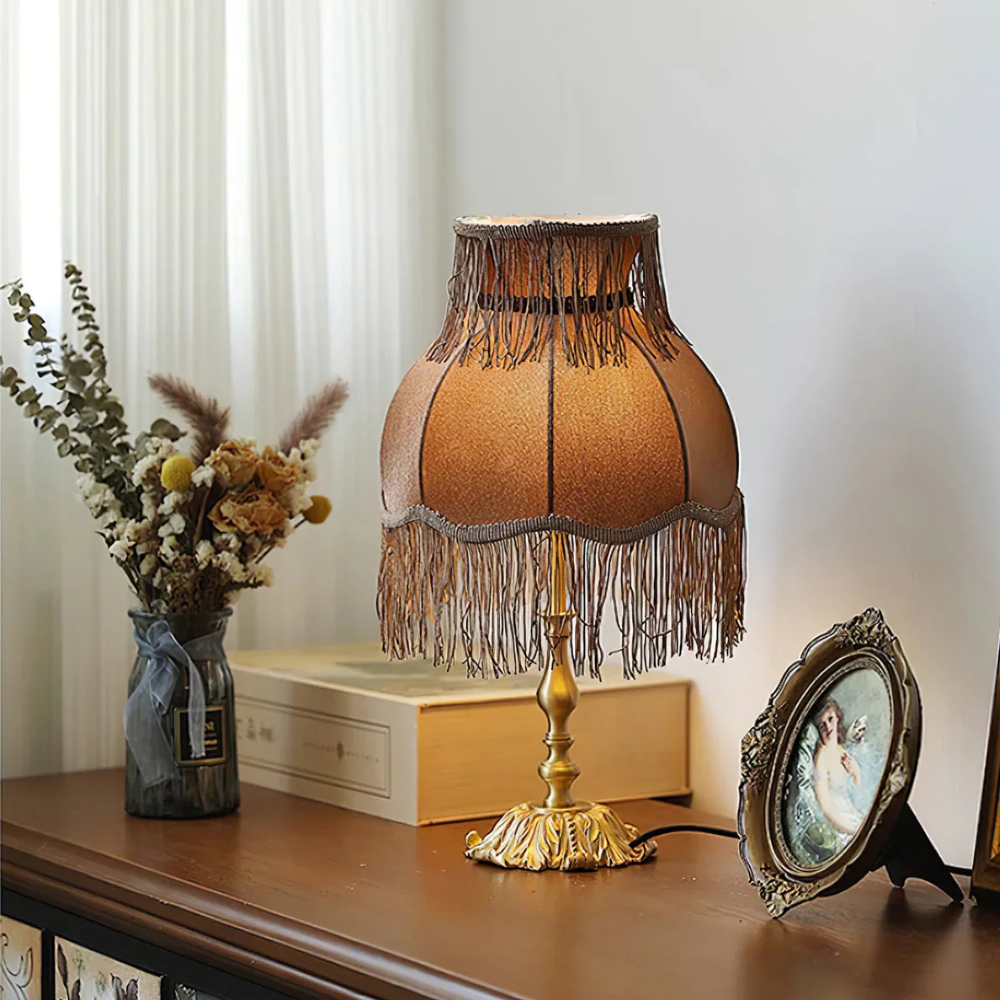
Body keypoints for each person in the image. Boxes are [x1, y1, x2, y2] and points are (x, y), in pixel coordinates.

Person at [810, 698, 865, 837]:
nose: (828, 727)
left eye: (830, 719)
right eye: (822, 725)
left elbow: (855, 794)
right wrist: (853, 830)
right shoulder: (821, 759)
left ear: (838, 718)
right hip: (839, 826)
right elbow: (826, 808)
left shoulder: (842, 750)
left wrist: (856, 773)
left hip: (853, 815)